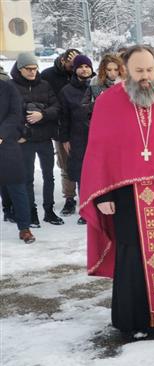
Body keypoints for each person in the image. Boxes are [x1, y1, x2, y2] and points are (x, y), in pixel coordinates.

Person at [79, 45, 154, 340]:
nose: (146, 76)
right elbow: (99, 150)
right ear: (126, 71)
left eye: (150, 70)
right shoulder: (108, 102)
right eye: (139, 71)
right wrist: (103, 195)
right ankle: (134, 318)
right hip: (126, 195)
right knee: (133, 254)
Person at [11, 52, 64, 227]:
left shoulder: (44, 85)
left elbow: (56, 107)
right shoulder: (10, 86)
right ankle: (31, 212)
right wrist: (18, 134)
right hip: (24, 140)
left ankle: (49, 211)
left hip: (44, 137)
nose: (32, 72)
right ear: (20, 69)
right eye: (28, 69)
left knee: (49, 176)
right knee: (27, 178)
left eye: (35, 68)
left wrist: (42, 114)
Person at [41, 49, 81, 217]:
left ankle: (86, 196)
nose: (74, 67)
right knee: (66, 165)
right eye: (71, 64)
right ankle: (69, 198)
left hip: (81, 128)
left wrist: (79, 64)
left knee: (84, 164)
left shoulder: (81, 72)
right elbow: (43, 98)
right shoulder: (48, 75)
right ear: (63, 60)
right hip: (60, 127)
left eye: (76, 64)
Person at [57, 55, 94, 224]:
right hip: (77, 136)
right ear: (75, 69)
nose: (84, 69)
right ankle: (85, 209)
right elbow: (64, 117)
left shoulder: (97, 86)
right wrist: (65, 138)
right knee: (81, 174)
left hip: (97, 136)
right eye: (81, 66)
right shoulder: (67, 91)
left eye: (87, 66)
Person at [0, 78, 34, 243]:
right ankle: (8, 211)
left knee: (16, 185)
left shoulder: (8, 88)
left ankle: (24, 228)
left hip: (6, 142)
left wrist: (1, 134)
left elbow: (15, 114)